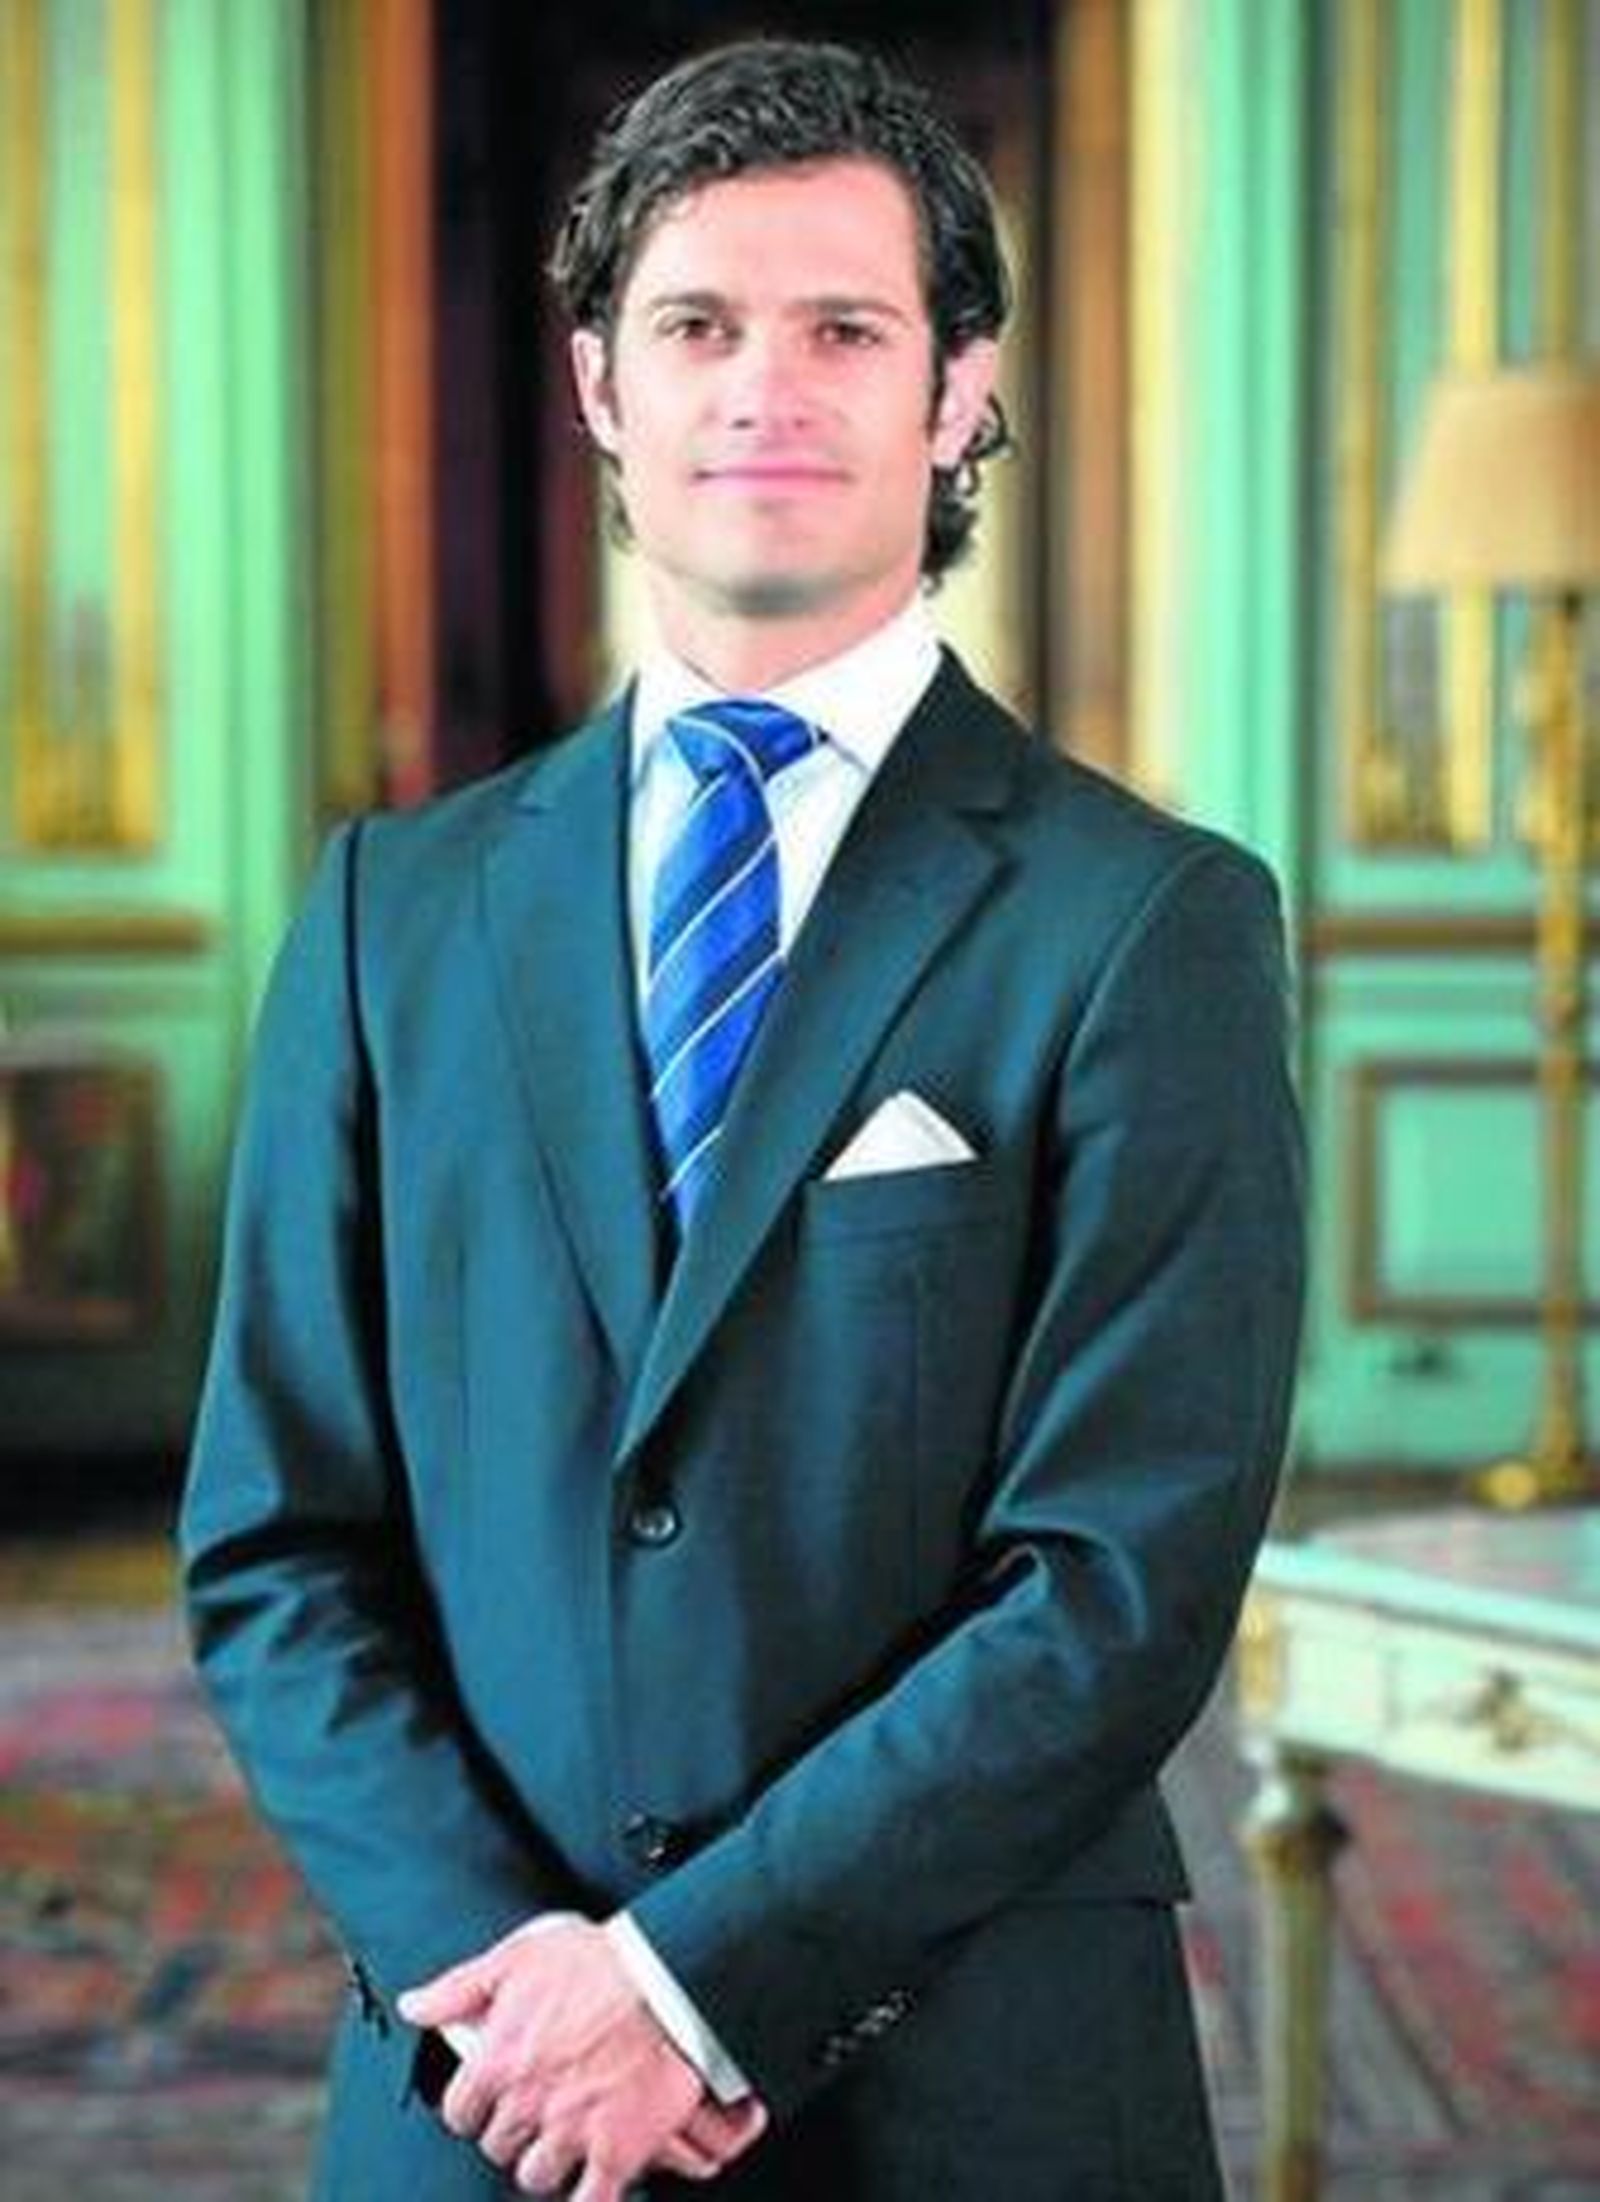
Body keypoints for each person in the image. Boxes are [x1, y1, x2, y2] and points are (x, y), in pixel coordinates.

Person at [180, 35, 1304, 2202]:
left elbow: (1118, 1580)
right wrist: (518, 1989)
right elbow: (276, 1540)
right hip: (480, 2084)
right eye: (695, 324)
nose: (762, 387)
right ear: (600, 384)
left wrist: (688, 1988)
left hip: (968, 2085)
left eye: (844, 330)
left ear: (959, 391)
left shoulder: (1149, 921)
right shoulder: (388, 916)